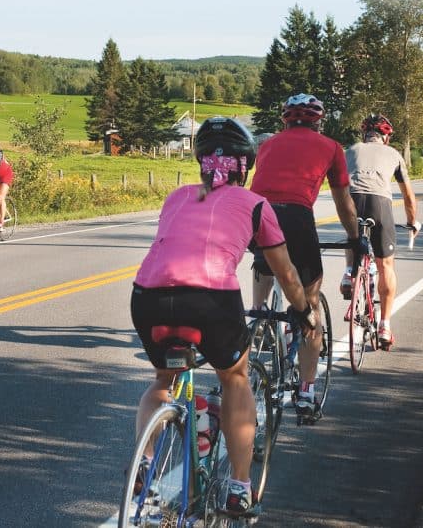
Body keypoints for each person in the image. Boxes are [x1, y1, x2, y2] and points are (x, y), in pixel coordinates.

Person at [130, 116, 315, 518]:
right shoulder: (255, 204)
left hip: (148, 296)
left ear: (201, 161)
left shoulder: (176, 197)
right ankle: (239, 488)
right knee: (234, 378)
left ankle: (144, 462)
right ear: (244, 165)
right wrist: (303, 311)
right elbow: (284, 273)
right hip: (210, 299)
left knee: (163, 379)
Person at [249, 93, 359, 419]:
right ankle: (307, 393)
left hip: (257, 216)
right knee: (310, 308)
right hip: (296, 219)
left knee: (265, 266)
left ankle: (259, 320)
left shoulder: (267, 145)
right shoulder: (331, 147)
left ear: (285, 120)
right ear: (318, 121)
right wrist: (355, 238)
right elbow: (343, 203)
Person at [342, 113, 420, 350]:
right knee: (386, 265)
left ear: (364, 135)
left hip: (352, 200)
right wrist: (413, 222)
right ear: (385, 137)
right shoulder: (394, 154)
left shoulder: (351, 150)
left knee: (352, 237)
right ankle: (385, 325)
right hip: (380, 205)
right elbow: (408, 195)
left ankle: (349, 273)